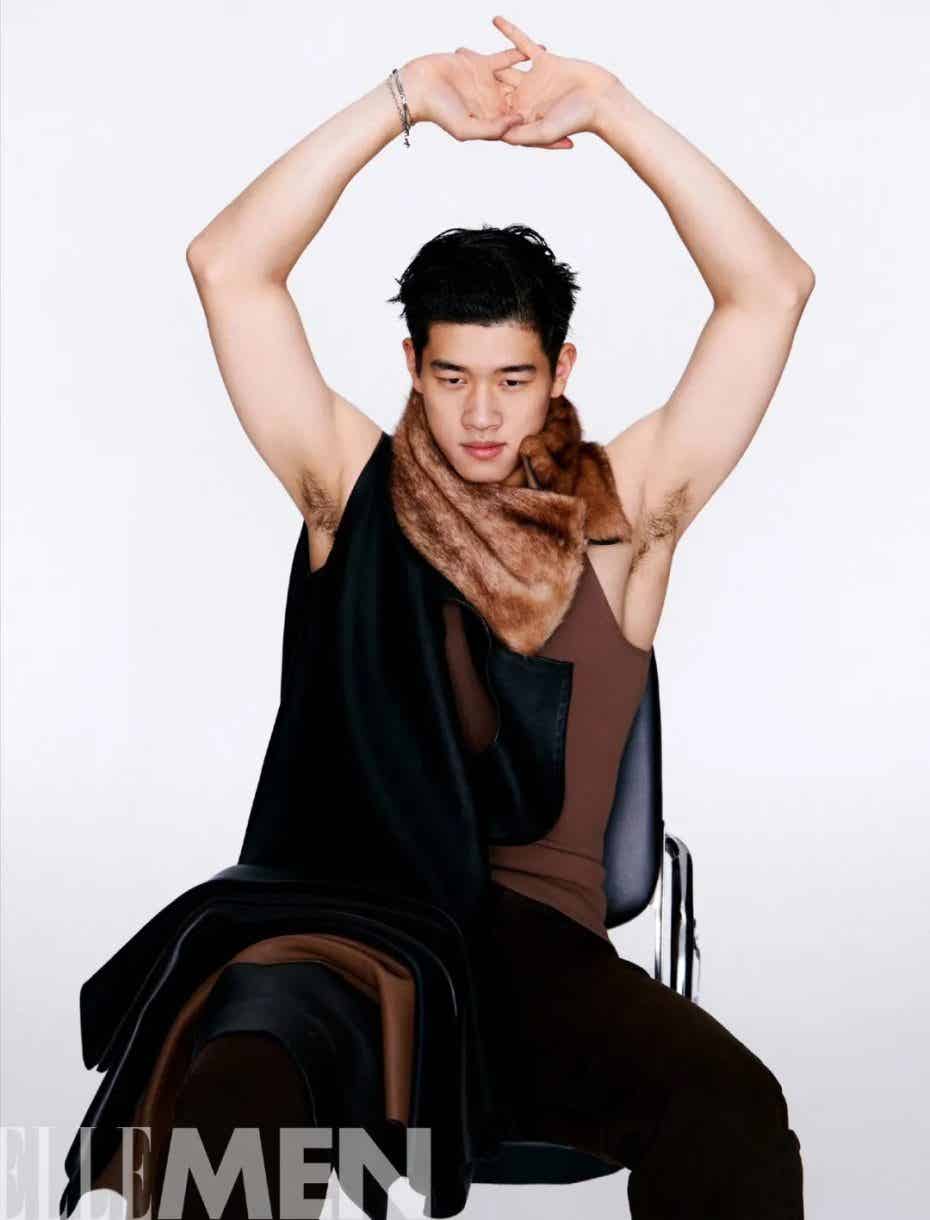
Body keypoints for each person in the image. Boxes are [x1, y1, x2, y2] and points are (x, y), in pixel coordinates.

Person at [88, 15, 815, 1220]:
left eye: (514, 378)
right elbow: (228, 266)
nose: (482, 416)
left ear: (561, 371)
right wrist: (406, 97)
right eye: (452, 376)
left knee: (732, 1105)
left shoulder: (620, 521)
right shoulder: (352, 491)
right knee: (236, 1095)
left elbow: (771, 292)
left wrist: (613, 109)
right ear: (413, 366)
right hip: (349, 929)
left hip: (535, 959)